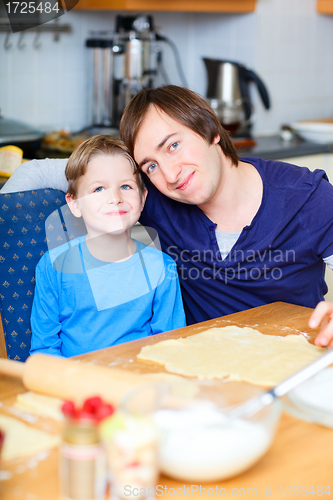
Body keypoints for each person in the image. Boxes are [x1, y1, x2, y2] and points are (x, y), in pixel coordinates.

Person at [2, 87, 333, 347]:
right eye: (150, 165)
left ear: (211, 130)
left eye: (173, 145)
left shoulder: (309, 198)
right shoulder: (146, 194)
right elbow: (32, 173)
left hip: (295, 365)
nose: (171, 174)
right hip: (199, 377)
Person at [29, 135, 186, 357]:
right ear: (74, 204)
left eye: (125, 186)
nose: (115, 198)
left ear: (142, 199)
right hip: (74, 383)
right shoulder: (52, 266)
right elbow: (44, 350)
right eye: (99, 189)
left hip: (139, 380)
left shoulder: (163, 267)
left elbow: (170, 346)